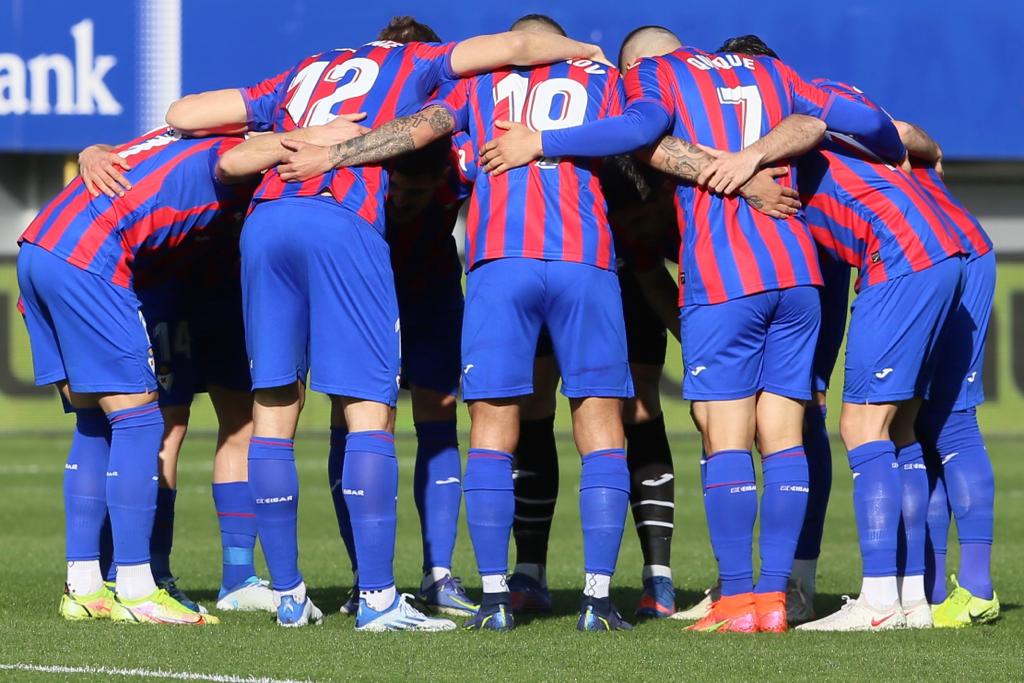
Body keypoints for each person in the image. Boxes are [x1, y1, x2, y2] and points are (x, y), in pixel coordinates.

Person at [167, 14, 609, 630]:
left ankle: (292, 595)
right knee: (368, 409)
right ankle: (377, 597)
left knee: (275, 407)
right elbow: (514, 43)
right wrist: (589, 50)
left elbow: (182, 115)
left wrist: (299, 135)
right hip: (342, 221)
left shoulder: (303, 69)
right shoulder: (420, 65)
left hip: (270, 221)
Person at [477, 25, 904, 633]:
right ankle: (777, 599)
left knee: (723, 436)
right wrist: (888, 151)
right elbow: (857, 119)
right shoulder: (770, 72)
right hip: (797, 271)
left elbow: (636, 132)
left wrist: (541, 139)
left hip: (725, 274)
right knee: (783, 436)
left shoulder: (656, 77)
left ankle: (736, 600)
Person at [280, 18, 643, 632]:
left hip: (501, 264)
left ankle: (496, 598)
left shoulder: (480, 83)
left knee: (491, 430)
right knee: (602, 428)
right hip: (586, 261)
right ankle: (598, 599)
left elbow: (416, 129)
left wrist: (333, 153)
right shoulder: (603, 78)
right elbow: (645, 134)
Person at [18, 127, 259, 626]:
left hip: (45, 249)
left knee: (94, 423)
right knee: (143, 424)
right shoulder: (235, 150)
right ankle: (137, 586)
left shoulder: (167, 143)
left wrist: (87, 149)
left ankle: (84, 586)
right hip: (103, 268)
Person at [788, 80, 965, 631]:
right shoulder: (831, 101)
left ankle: (876, 602)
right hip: (940, 248)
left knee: (861, 426)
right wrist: (932, 154)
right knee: (901, 431)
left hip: (899, 256)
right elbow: (906, 133)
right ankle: (911, 599)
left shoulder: (789, 117)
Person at [901, 128, 1000, 627]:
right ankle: (934, 589)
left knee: (952, 419)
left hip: (949, 253)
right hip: (937, 251)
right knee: (919, 425)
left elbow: (906, 134)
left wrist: (926, 149)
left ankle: (978, 589)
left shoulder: (833, 127)